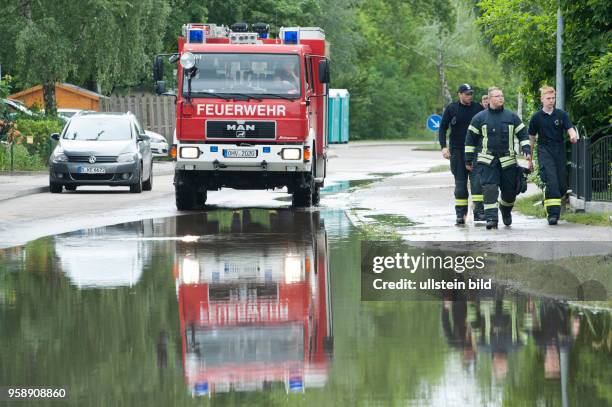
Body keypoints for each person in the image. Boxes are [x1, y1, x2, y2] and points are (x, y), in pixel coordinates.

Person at [465, 87, 532, 229]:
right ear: (489, 99)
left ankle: (505, 210)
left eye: (502, 95)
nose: (500, 98)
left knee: (509, 192)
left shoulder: (511, 117)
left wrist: (526, 149)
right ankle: (491, 219)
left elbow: (523, 134)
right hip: (487, 161)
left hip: (508, 161)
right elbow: (470, 140)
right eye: (497, 96)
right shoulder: (479, 118)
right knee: (490, 189)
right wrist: (468, 159)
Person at [527, 86, 578, 225]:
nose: (551, 101)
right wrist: (529, 158)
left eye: (553, 98)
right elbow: (531, 138)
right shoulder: (536, 117)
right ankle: (553, 214)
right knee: (551, 180)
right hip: (544, 150)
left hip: (559, 149)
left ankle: (548, 197)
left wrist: (573, 136)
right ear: (542, 99)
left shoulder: (561, 115)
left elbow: (570, 129)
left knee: (561, 184)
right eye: (548, 98)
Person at [438, 84, 485, 225]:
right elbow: (442, 129)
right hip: (457, 151)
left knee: (477, 183)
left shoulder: (478, 108)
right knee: (460, 185)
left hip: (476, 151)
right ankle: (461, 214)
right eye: (467, 94)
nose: (470, 96)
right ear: (459, 94)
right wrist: (444, 147)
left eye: (471, 93)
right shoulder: (451, 109)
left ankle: (479, 213)